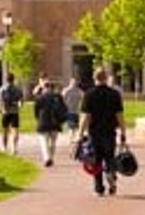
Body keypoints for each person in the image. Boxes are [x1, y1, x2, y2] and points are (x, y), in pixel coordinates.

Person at [79, 68, 127, 197]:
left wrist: (80, 133)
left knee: (96, 160)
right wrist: (123, 132)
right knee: (109, 157)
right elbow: (120, 115)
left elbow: (85, 116)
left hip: (94, 132)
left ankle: (99, 188)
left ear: (94, 78)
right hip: (110, 131)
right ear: (106, 78)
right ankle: (111, 174)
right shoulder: (114, 94)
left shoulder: (88, 94)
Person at [33, 80, 68, 167]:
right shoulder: (58, 97)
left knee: (44, 142)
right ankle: (51, 157)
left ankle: (46, 158)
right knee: (53, 142)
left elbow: (36, 112)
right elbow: (64, 109)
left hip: (43, 122)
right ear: (53, 88)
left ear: (44, 88)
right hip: (55, 122)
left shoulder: (39, 98)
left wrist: (38, 119)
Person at [0, 72, 24, 154]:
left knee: (5, 130)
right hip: (15, 112)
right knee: (15, 130)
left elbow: (0, 99)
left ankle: (5, 147)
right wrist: (19, 106)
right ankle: (14, 148)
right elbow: (21, 101)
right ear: (13, 79)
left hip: (6, 111)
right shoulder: (17, 89)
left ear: (6, 79)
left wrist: (0, 109)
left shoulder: (2, 88)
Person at [61, 76, 84, 141]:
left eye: (76, 81)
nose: (74, 83)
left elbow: (83, 100)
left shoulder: (80, 91)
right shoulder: (66, 90)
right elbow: (62, 99)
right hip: (69, 110)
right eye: (73, 81)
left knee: (75, 126)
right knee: (71, 126)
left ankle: (73, 137)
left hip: (76, 111)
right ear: (70, 82)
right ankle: (71, 138)